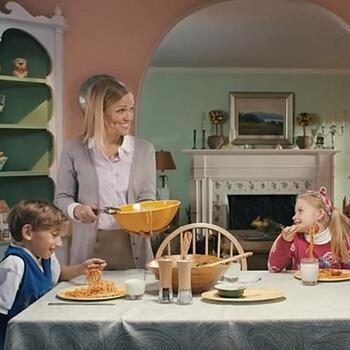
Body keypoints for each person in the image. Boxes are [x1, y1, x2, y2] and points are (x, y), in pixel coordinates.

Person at [54, 78, 156, 269]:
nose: (129, 117)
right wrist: (76, 210)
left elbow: (147, 198)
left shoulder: (145, 150)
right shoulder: (73, 149)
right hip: (89, 251)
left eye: (131, 109)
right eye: (121, 110)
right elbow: (62, 197)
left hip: (134, 248)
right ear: (100, 113)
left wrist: (146, 220)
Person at [0, 200, 106, 350]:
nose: (59, 243)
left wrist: (81, 268)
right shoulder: (14, 265)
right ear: (28, 233)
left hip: (39, 335)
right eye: (54, 235)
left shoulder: (46, 258)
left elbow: (58, 275)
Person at [268, 187, 350, 272]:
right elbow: (274, 268)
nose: (294, 217)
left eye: (300, 211)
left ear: (320, 214)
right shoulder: (292, 238)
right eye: (295, 212)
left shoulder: (342, 239)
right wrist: (285, 241)